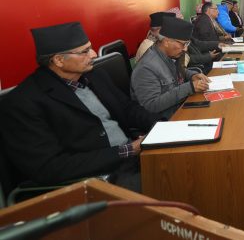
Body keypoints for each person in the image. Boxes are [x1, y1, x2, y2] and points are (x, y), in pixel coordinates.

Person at [0, 22, 159, 192]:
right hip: (95, 179)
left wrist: (162, 126)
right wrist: (129, 149)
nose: (93, 54)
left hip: (131, 158)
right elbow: (50, 167)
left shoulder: (95, 75)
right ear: (59, 60)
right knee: (168, 185)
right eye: (84, 51)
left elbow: (127, 108)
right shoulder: (24, 102)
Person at [131, 17, 211, 119]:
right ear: (166, 42)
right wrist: (189, 87)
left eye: (187, 44)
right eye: (183, 44)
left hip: (180, 108)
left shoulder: (169, 55)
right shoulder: (146, 68)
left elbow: (176, 72)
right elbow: (151, 105)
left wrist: (192, 75)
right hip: (167, 119)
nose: (185, 48)